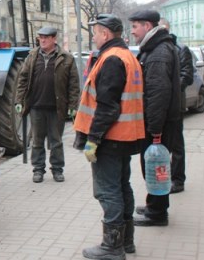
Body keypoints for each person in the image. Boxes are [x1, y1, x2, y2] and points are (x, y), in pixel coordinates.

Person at [74, 14, 145, 259]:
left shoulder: (112, 59)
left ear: (105, 34)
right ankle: (126, 241)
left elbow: (107, 106)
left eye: (95, 32)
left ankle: (112, 247)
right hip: (125, 137)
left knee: (107, 191)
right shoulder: (127, 56)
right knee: (122, 186)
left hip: (110, 138)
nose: (93, 37)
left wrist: (93, 139)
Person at [127, 10, 181, 227]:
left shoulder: (158, 52)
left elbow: (158, 93)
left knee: (155, 165)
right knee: (154, 164)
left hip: (158, 123)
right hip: (158, 121)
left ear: (147, 26)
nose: (132, 32)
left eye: (135, 27)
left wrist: (155, 129)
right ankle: (154, 204)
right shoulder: (156, 47)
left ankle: (157, 213)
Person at [15, 26, 80, 183]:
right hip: (36, 106)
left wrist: (72, 106)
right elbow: (22, 80)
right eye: (40, 37)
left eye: (46, 37)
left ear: (53, 39)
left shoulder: (66, 58)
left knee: (56, 141)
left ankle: (57, 170)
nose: (42, 40)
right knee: (37, 141)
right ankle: (38, 170)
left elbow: (74, 85)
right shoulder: (32, 56)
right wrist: (19, 100)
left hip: (57, 108)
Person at [158, 18, 194, 194]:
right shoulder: (156, 50)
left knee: (177, 144)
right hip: (159, 106)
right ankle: (162, 177)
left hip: (175, 104)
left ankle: (178, 179)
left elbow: (187, 75)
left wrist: (169, 89)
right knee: (160, 145)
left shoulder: (181, 49)